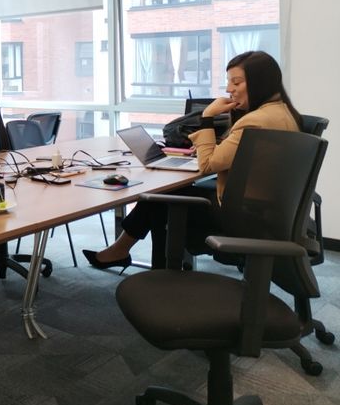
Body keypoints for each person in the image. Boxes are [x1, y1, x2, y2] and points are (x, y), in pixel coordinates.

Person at [83, 51, 302, 271]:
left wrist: (207, 117)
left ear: (260, 82)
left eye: (236, 82)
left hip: (244, 215)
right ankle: (125, 252)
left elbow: (207, 165)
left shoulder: (254, 121)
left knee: (161, 200)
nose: (229, 89)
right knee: (169, 193)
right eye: (228, 82)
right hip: (265, 208)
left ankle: (159, 276)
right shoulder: (281, 112)